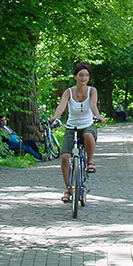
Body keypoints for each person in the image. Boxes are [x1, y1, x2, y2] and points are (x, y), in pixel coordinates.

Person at [49, 63, 106, 203]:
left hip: (87, 125)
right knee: (65, 157)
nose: (84, 78)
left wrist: (98, 116)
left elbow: (93, 105)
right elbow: (62, 105)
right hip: (71, 127)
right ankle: (68, 189)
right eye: (81, 75)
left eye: (86, 75)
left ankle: (90, 161)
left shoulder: (92, 91)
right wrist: (54, 117)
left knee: (88, 136)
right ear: (75, 77)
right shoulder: (68, 92)